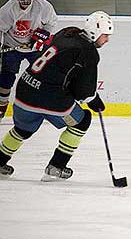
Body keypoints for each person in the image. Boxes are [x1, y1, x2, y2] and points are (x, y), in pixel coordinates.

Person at [0, 11, 113, 180]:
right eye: (105, 35)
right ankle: (56, 166)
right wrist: (94, 101)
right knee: (82, 122)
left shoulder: (67, 33)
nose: (107, 40)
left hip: (25, 90)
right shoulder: (88, 52)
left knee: (23, 129)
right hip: (50, 98)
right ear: (95, 32)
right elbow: (84, 92)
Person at [0, 0, 58, 122]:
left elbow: (51, 24)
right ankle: (1, 106)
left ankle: (45, 107)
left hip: (35, 48)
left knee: (43, 76)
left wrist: (41, 36)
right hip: (12, 46)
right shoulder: (9, 9)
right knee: (6, 79)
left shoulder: (42, 6)